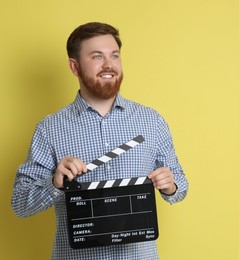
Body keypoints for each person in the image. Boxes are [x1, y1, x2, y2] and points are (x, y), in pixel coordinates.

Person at [12, 22, 188, 259]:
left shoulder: (151, 121)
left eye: (114, 56)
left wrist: (171, 185)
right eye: (97, 56)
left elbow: (180, 187)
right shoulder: (49, 129)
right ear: (74, 67)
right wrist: (54, 184)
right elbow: (21, 204)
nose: (109, 64)